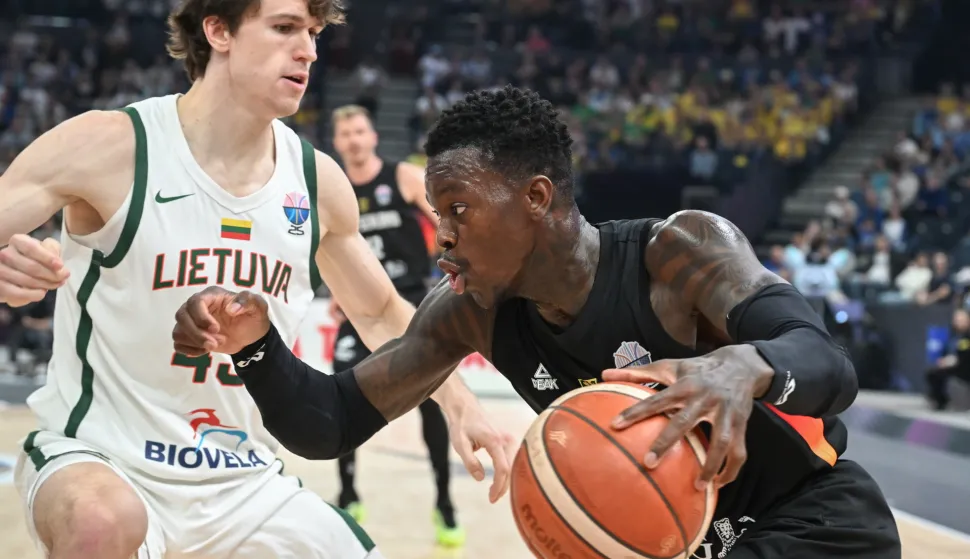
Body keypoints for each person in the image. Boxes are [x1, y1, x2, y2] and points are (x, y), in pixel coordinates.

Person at [173, 86, 902, 559]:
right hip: (669, 540)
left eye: (459, 210)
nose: (445, 236)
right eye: (437, 217)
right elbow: (328, 423)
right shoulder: (468, 312)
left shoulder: (678, 252)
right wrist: (256, 347)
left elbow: (828, 367)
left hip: (817, 524)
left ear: (537, 197)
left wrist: (744, 365)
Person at [0, 1, 514, 558]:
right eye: (285, 28)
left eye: (314, 33)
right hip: (101, 459)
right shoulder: (111, 145)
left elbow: (380, 312)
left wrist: (462, 404)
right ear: (217, 29)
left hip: (242, 480)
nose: (308, 50)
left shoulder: (316, 181)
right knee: (103, 523)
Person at [328, 104, 463, 545]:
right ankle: (347, 494)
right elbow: (321, 247)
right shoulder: (334, 188)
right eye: (345, 133)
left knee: (432, 402)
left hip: (410, 307)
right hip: (357, 309)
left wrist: (458, 263)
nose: (352, 139)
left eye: (359, 130)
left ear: (372, 136)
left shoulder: (403, 176)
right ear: (336, 142)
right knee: (340, 398)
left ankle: (445, 503)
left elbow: (446, 219)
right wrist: (332, 292)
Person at [925, 308, 970, 410]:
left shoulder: (967, 336)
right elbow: (946, 351)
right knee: (933, 373)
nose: (958, 323)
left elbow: (964, 355)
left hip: (964, 367)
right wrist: (944, 360)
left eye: (961, 320)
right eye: (957, 320)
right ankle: (939, 399)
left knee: (939, 373)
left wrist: (953, 361)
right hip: (954, 365)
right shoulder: (953, 335)